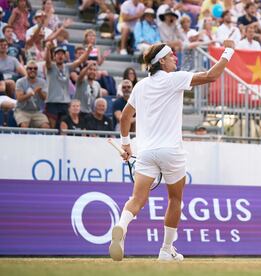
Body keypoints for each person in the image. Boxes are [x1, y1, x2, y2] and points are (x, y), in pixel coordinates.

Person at [109, 40, 236, 262]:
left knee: (137, 198)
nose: (175, 59)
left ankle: (121, 226)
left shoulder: (140, 86)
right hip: (171, 152)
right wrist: (228, 51)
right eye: (171, 57)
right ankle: (166, 249)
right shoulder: (175, 79)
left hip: (146, 152)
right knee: (175, 199)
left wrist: (127, 144)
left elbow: (126, 117)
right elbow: (211, 75)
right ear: (162, 61)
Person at [44, 42, 92, 128]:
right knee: (52, 127)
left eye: (62, 54)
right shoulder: (51, 67)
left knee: (64, 127)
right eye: (58, 54)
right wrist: (47, 49)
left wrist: (88, 50)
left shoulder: (67, 67)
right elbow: (47, 60)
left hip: (65, 102)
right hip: (52, 101)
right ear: (54, 57)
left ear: (65, 57)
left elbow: (80, 60)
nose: (60, 56)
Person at [14, 61, 49, 128]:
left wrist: (40, 92)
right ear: (26, 70)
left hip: (36, 111)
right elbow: (19, 98)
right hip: (22, 110)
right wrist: (32, 93)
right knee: (24, 125)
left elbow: (45, 98)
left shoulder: (42, 82)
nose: (33, 70)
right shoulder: (20, 82)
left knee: (46, 126)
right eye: (30, 68)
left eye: (35, 68)